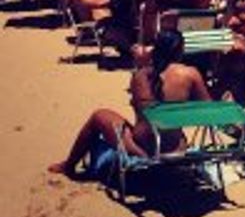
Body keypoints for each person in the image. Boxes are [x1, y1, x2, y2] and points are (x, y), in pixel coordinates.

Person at [48, 29, 210, 179]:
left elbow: (138, 106)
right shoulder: (190, 74)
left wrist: (141, 62)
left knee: (99, 116)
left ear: (155, 49)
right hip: (175, 147)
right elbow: (208, 108)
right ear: (180, 51)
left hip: (142, 149)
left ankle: (69, 166)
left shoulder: (141, 76)